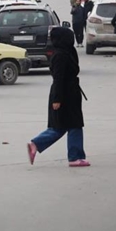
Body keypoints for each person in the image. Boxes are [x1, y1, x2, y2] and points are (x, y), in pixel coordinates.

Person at [27, 27, 89, 167]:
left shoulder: (68, 51)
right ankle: (74, 156)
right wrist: (57, 99)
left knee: (69, 125)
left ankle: (37, 145)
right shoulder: (60, 55)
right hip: (64, 94)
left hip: (72, 93)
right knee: (67, 125)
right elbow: (58, 79)